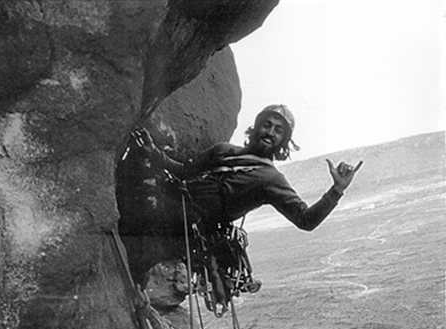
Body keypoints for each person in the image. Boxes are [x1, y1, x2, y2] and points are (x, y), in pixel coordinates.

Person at [129, 104, 362, 315]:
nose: (270, 132)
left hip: (188, 232)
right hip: (169, 207)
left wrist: (336, 190)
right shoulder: (223, 151)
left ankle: (135, 289)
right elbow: (184, 171)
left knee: (138, 254)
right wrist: (153, 152)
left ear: (283, 142)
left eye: (278, 130)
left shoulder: (271, 179)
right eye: (267, 125)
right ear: (257, 127)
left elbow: (306, 220)